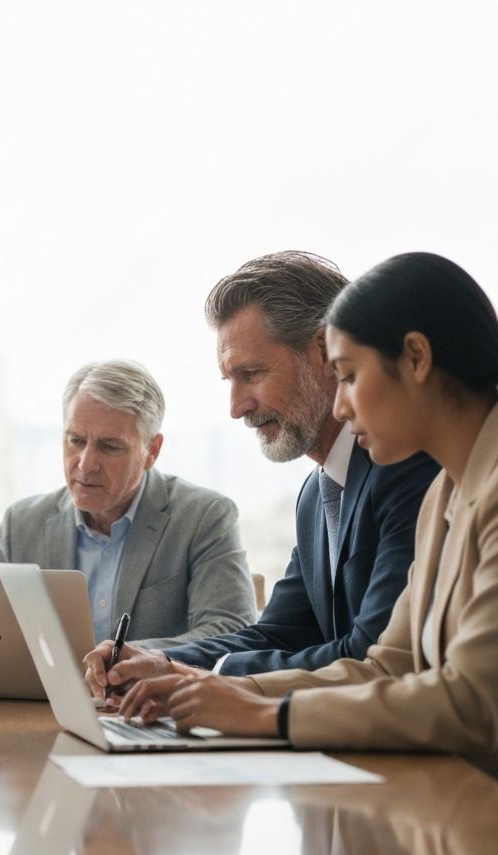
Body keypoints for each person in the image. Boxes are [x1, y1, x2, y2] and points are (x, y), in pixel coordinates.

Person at [112, 253, 498, 770]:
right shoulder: (443, 496)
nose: (342, 405)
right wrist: (211, 684)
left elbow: (468, 700)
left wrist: (266, 714)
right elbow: (391, 666)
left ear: (415, 359)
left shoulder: (439, 483)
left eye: (351, 375)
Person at [84, 252, 438, 696]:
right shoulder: (317, 494)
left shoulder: (408, 469)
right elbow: (278, 634)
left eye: (251, 374)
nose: (236, 408)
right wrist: (160, 661)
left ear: (325, 353)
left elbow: (369, 655)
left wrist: (205, 678)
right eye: (230, 380)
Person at [0, 359, 256, 648]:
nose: (85, 465)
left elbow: (231, 629)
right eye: (75, 441)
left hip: (148, 693)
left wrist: (132, 658)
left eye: (109, 447)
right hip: (38, 694)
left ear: (152, 451)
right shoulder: (20, 524)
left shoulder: (204, 518)